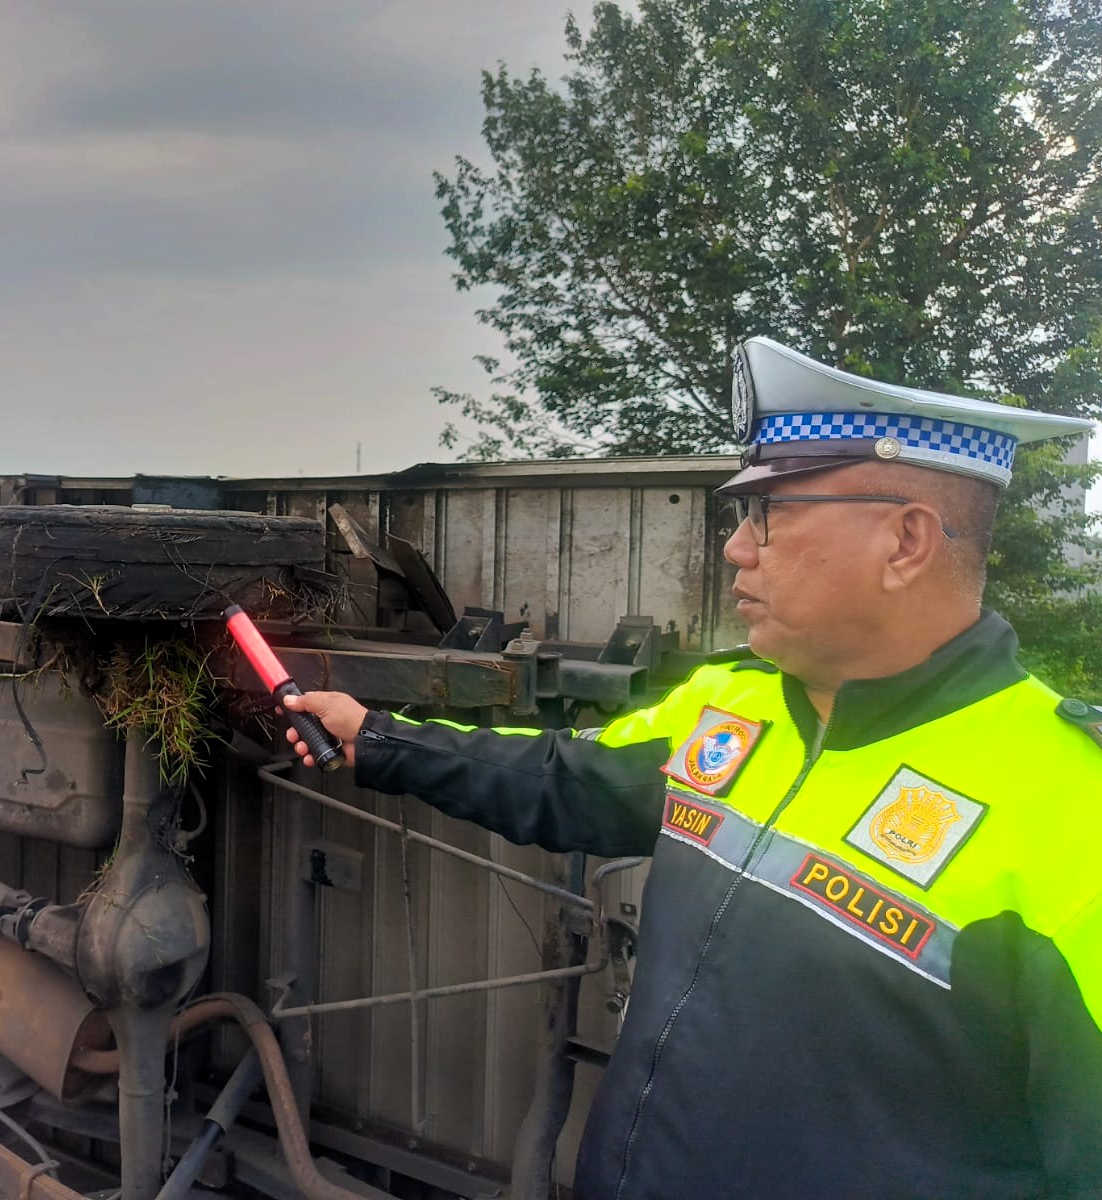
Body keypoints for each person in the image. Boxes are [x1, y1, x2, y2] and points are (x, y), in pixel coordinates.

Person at [283, 337, 1102, 1200]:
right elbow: (567, 781)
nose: (736, 551)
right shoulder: (729, 702)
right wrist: (376, 737)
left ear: (906, 541)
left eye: (770, 517)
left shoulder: (1066, 799)